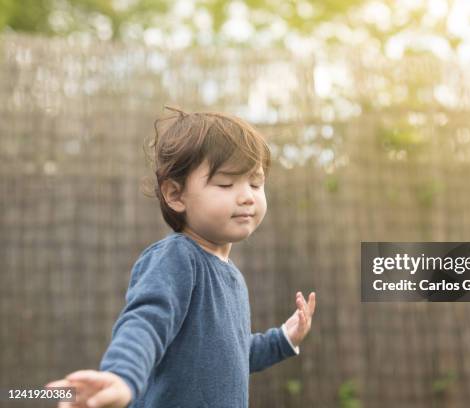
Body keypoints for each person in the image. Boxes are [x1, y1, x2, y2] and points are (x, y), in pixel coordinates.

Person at [45, 106, 316, 408]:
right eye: (226, 184)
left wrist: (283, 339)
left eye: (255, 183)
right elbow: (145, 323)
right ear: (176, 195)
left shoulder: (232, 276)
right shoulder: (177, 258)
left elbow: (230, 357)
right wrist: (123, 376)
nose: (247, 196)